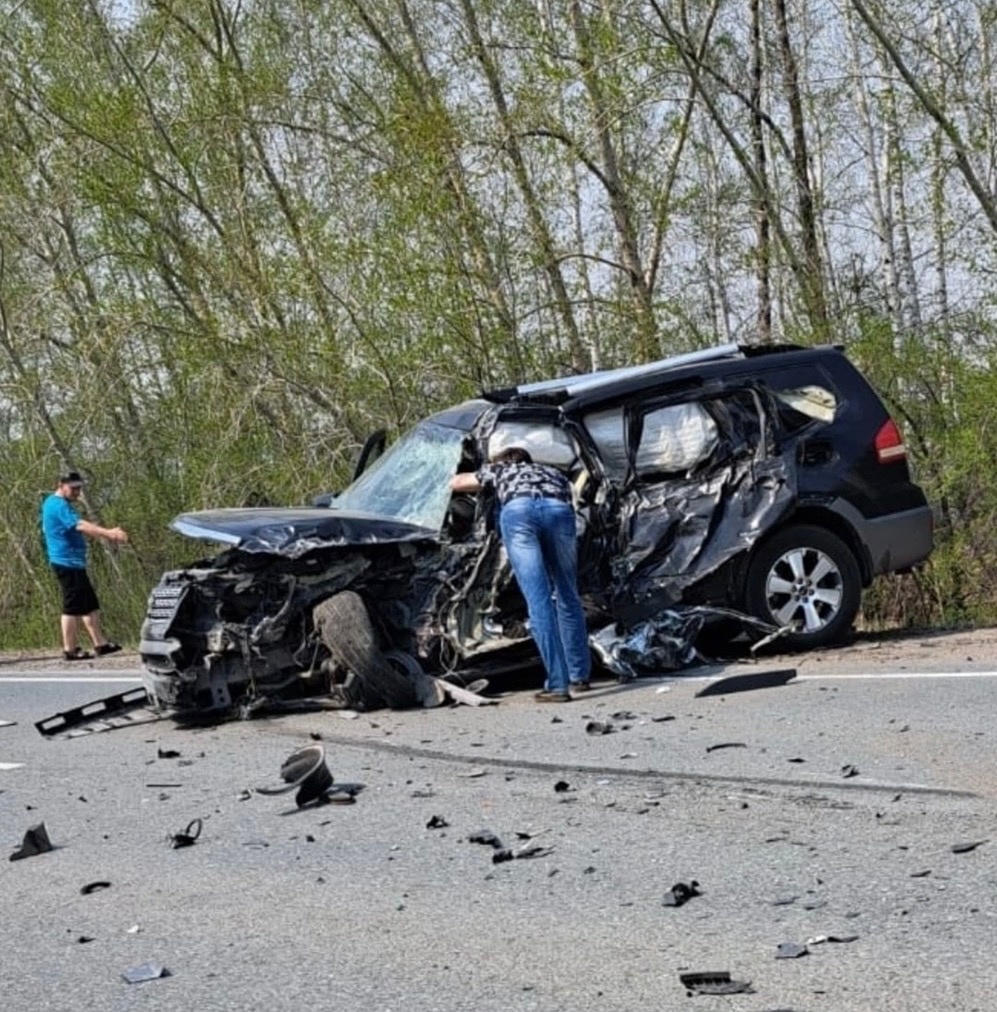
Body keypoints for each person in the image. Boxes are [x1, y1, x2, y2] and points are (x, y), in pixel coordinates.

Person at [450, 447, 590, 702]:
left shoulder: (501, 469)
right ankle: (579, 676)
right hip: (559, 512)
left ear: (505, 460)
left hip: (520, 513)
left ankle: (558, 685)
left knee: (539, 599)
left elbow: (459, 483)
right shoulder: (552, 472)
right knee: (568, 594)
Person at [40, 470, 129, 661]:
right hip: (65, 562)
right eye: (73, 488)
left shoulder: (58, 503)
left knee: (90, 605)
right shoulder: (57, 505)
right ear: (61, 485)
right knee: (71, 607)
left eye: (79, 488)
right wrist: (109, 534)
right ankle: (69, 650)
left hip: (74, 562)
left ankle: (101, 645)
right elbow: (80, 525)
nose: (77, 492)